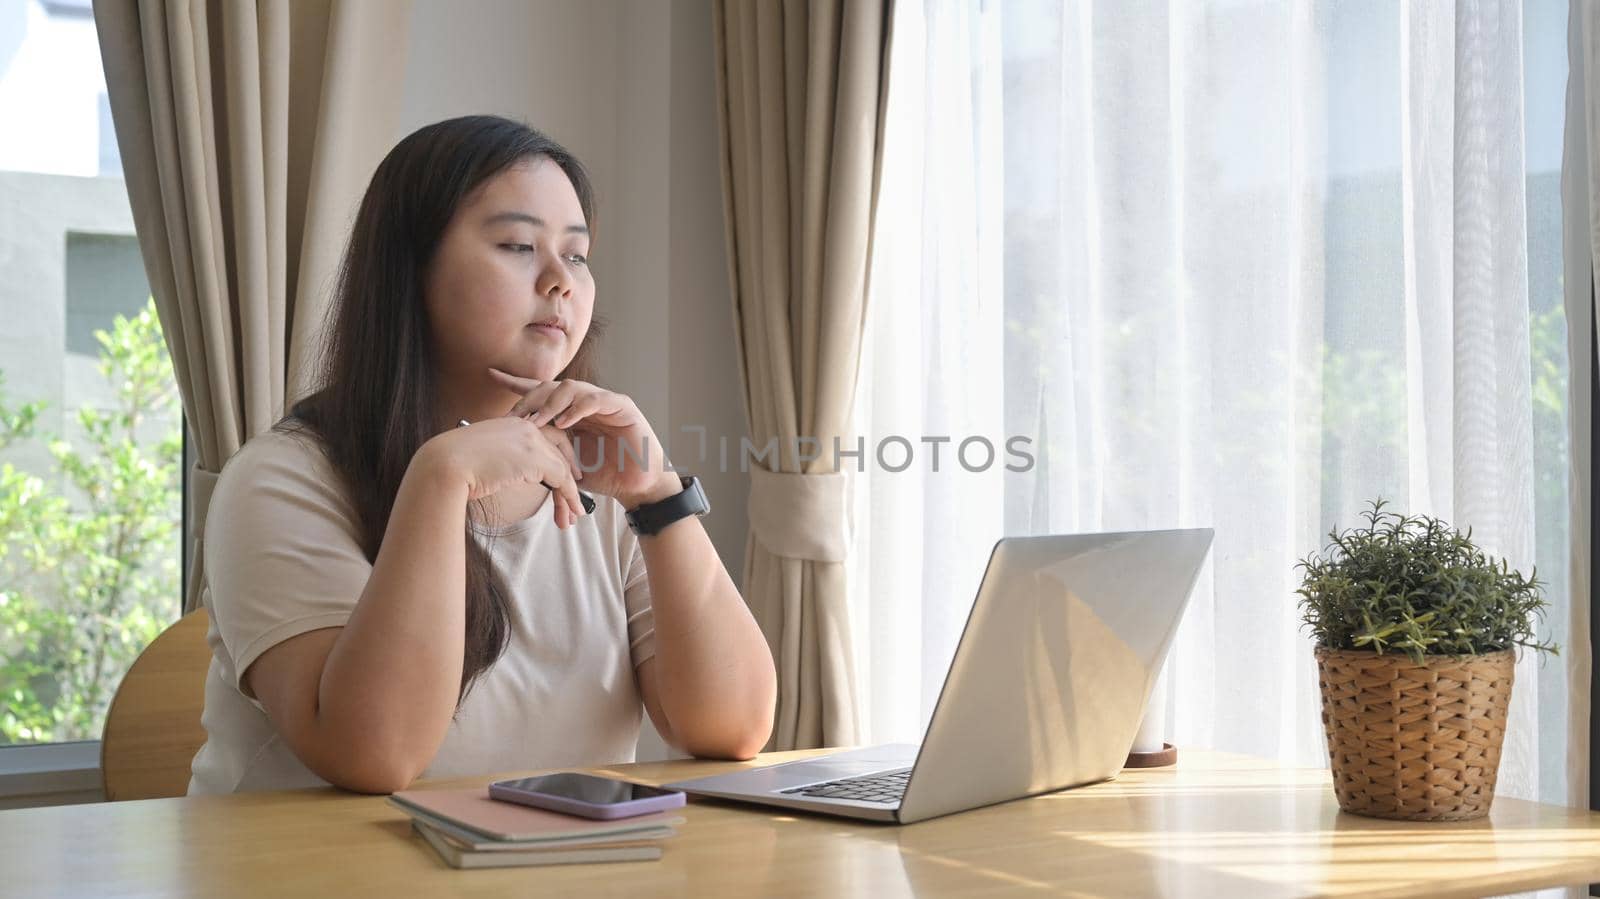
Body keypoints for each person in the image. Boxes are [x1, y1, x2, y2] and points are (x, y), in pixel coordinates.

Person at [187, 115, 777, 794]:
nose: (561, 280)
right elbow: (373, 755)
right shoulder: (281, 481)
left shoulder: (600, 485)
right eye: (520, 245)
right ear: (411, 269)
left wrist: (658, 495)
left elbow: (731, 725)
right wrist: (440, 479)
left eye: (578, 255)